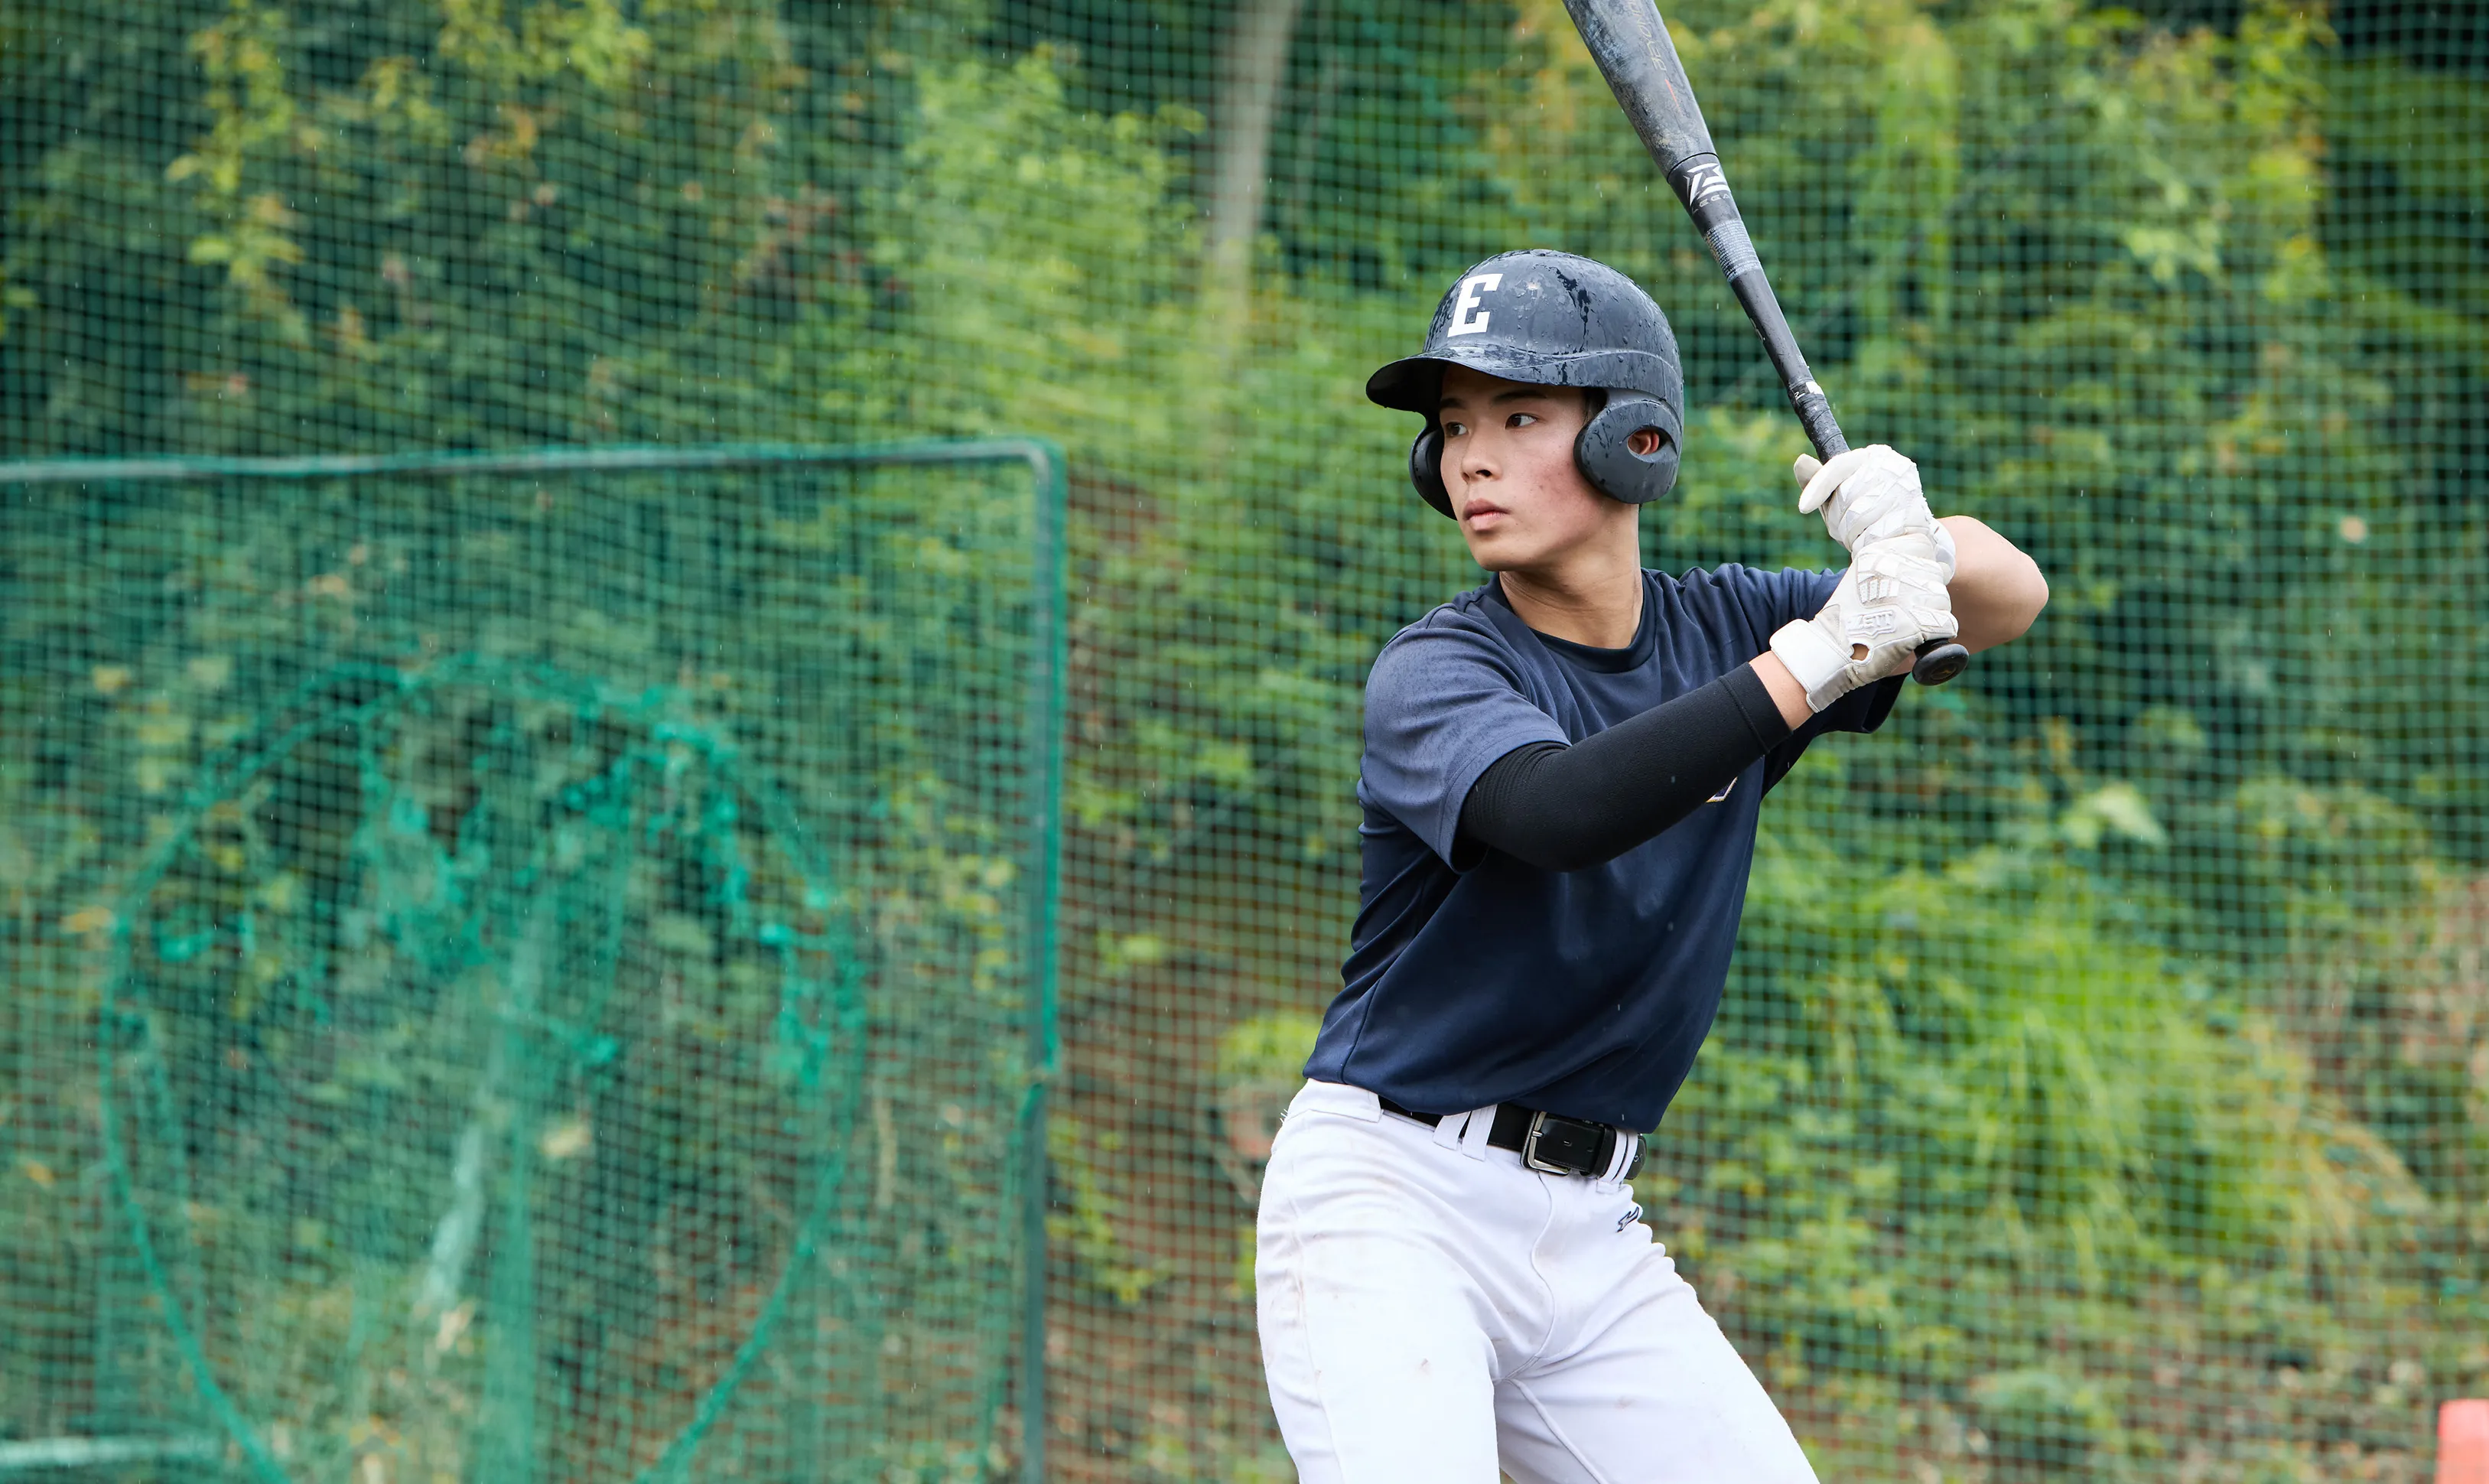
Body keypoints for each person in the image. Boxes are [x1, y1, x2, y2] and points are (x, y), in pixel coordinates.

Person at [1253, 250, 2048, 1482]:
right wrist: (1819, 658)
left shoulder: (1727, 627)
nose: (1469, 456)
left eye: (1520, 416)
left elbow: (2009, 596)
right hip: (1390, 1202)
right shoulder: (1439, 670)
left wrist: (1913, 534)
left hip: (1589, 1235)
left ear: (1634, 441)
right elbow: (1556, 808)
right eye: (1452, 425)